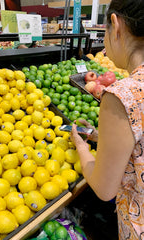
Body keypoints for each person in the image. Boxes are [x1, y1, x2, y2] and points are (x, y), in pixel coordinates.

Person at [71, 0, 144, 239]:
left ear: (116, 24)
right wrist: (97, 135)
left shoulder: (122, 95)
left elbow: (104, 188)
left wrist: (82, 147)